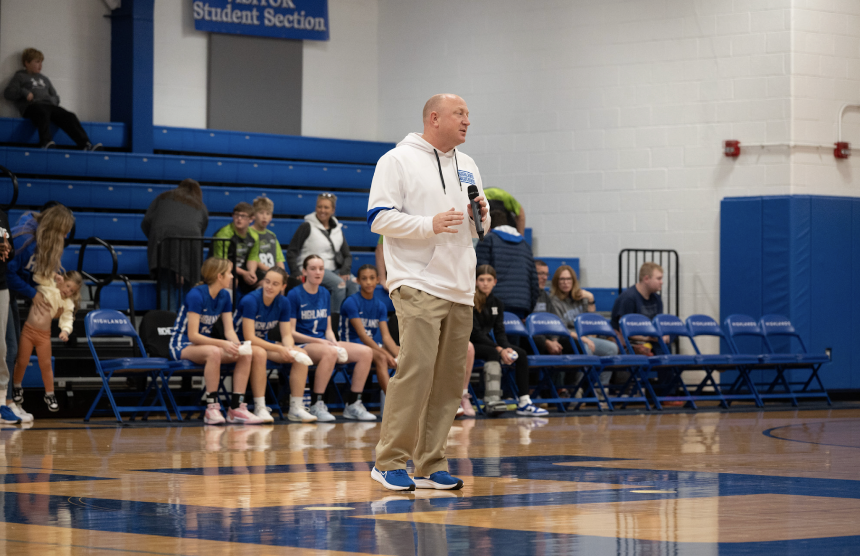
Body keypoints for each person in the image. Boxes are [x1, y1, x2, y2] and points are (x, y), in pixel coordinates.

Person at [367, 93, 489, 492]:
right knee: (416, 371)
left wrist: (480, 220)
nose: (467, 121)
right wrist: (429, 224)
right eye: (460, 114)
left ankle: (430, 462)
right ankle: (388, 462)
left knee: (450, 380)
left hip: (459, 283)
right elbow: (379, 219)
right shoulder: (396, 160)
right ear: (434, 118)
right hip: (416, 279)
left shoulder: (468, 165)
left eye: (468, 115)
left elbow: (474, 229)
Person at [169, 258, 267, 425]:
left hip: (205, 345)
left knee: (245, 353)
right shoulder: (196, 294)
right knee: (214, 352)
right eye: (229, 273)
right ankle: (212, 407)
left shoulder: (225, 296)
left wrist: (237, 345)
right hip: (182, 344)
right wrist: (222, 343)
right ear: (219, 276)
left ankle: (236, 408)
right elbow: (192, 335)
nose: (232, 277)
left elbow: (229, 330)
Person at [287, 255, 376, 422]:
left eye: (321, 268)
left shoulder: (325, 293)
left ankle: (353, 404)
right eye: (313, 269)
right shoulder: (294, 294)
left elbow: (328, 329)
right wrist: (322, 342)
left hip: (323, 341)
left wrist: (334, 342)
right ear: (305, 271)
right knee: (330, 352)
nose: (318, 272)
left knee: (366, 352)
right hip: (303, 344)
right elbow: (291, 332)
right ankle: (317, 404)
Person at [6, 204, 74, 420]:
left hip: (10, 294)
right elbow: (6, 273)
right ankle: (5, 401)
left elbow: (30, 274)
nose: (65, 236)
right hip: (2, 290)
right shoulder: (24, 239)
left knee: (12, 347)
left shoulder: (42, 242)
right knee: (9, 348)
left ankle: (8, 400)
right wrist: (33, 293)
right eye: (63, 231)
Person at [234, 267, 316, 423]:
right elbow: (249, 337)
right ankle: (260, 407)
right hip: (241, 343)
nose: (269, 287)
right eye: (267, 282)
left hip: (262, 342)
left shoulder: (284, 303)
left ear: (283, 287)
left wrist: (289, 349)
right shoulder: (250, 300)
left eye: (275, 283)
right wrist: (279, 348)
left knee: (300, 355)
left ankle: (296, 408)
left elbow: (286, 334)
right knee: (260, 353)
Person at [471, 265, 547, 417]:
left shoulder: (497, 303)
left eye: (489, 280)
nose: (485, 283)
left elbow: (499, 332)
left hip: (488, 343)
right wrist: (499, 349)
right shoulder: (470, 301)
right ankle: (492, 400)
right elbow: (476, 333)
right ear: (476, 282)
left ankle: (524, 401)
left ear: (495, 282)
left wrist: (506, 348)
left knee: (520, 353)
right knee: (492, 352)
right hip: (471, 343)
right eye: (481, 280)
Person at [3, 48, 101, 151]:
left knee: (70, 116)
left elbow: (56, 97)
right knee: (42, 112)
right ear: (27, 63)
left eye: (41, 62)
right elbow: (8, 93)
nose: (41, 65)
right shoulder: (20, 76)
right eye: (37, 62)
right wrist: (24, 92)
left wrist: (51, 101)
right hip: (32, 107)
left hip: (49, 106)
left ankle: (86, 144)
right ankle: (45, 142)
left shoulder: (44, 79)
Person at [12, 271, 81, 413]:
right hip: (28, 331)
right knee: (22, 361)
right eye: (67, 286)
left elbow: (67, 318)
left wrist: (65, 331)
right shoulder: (49, 284)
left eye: (72, 290)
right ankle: (17, 387)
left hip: (44, 336)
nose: (68, 291)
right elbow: (37, 276)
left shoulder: (67, 302)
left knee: (46, 364)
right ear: (62, 280)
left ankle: (50, 394)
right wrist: (54, 275)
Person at [141, 178, 209, 311]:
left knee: (166, 285)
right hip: (190, 245)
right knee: (190, 285)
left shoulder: (162, 197)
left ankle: (168, 325)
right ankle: (187, 323)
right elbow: (202, 228)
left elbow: (146, 223)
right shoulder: (200, 206)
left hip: (165, 241)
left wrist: (156, 241)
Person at [286, 193, 359, 315]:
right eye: (319, 207)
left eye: (326, 207)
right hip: (314, 269)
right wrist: (295, 271)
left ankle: (349, 319)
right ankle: (335, 322)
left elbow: (347, 254)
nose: (322, 210)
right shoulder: (307, 226)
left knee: (353, 284)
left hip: (334, 269)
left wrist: (345, 270)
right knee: (339, 284)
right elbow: (292, 251)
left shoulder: (337, 229)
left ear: (333, 210)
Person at [339, 265, 399, 395]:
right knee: (382, 357)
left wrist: (398, 355)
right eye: (364, 279)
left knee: (406, 354)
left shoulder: (380, 306)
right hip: (351, 344)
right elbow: (362, 336)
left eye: (372, 278)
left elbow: (386, 337)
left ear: (378, 280)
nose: (368, 282)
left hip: (369, 346)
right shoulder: (351, 302)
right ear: (358, 281)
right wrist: (387, 354)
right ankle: (393, 402)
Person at [475, 209, 539, 319]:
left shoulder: (488, 240)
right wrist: (528, 308)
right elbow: (534, 281)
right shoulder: (525, 245)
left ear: (488, 226)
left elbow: (480, 272)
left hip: (493, 304)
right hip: (521, 305)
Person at [547, 265, 618, 357]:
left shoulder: (580, 296)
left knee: (612, 348)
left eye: (569, 279)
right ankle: (585, 371)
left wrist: (590, 298)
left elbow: (591, 320)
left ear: (573, 281)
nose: (565, 282)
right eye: (562, 279)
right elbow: (562, 329)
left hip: (585, 336)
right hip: (569, 338)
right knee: (586, 348)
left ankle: (597, 371)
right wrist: (584, 339)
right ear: (557, 282)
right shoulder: (554, 301)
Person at [611, 262, 668, 355]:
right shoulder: (628, 298)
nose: (662, 282)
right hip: (632, 341)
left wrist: (664, 335)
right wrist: (649, 338)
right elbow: (624, 331)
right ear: (646, 279)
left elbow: (658, 324)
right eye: (658, 278)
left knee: (671, 335)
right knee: (660, 345)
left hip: (650, 338)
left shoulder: (656, 298)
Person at [0, 210, 21, 424]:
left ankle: (2, 402)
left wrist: (7, 248)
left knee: (2, 348)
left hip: (1, 286)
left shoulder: (2, 215)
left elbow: (11, 252)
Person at [213, 202, 259, 296]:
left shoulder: (254, 236)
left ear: (251, 219)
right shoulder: (224, 234)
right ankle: (227, 309)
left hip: (243, 269)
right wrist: (244, 273)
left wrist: (251, 272)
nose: (239, 219)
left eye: (243, 216)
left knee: (264, 280)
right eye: (236, 215)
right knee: (231, 280)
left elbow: (253, 257)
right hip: (223, 267)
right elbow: (222, 261)